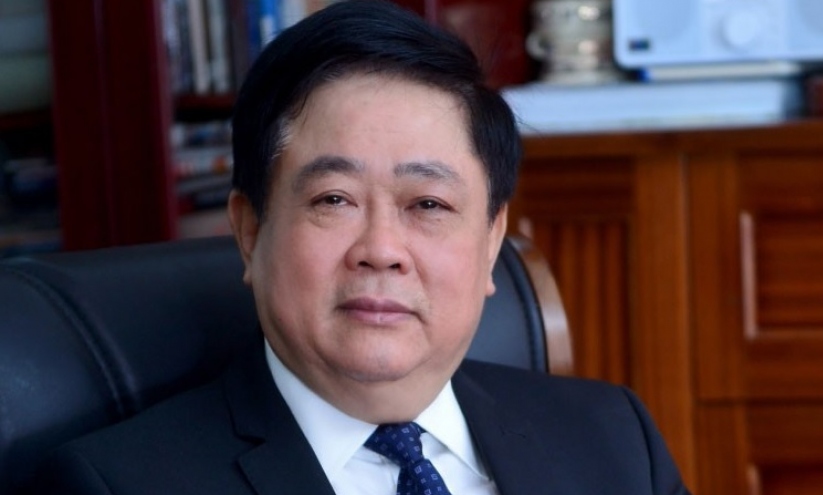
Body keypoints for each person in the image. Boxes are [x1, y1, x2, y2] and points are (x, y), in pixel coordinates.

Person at [37, 1, 690, 493]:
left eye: (428, 205)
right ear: (250, 231)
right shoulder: (115, 483)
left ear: (492, 241)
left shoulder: (613, 440)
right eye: (334, 199)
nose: (381, 250)